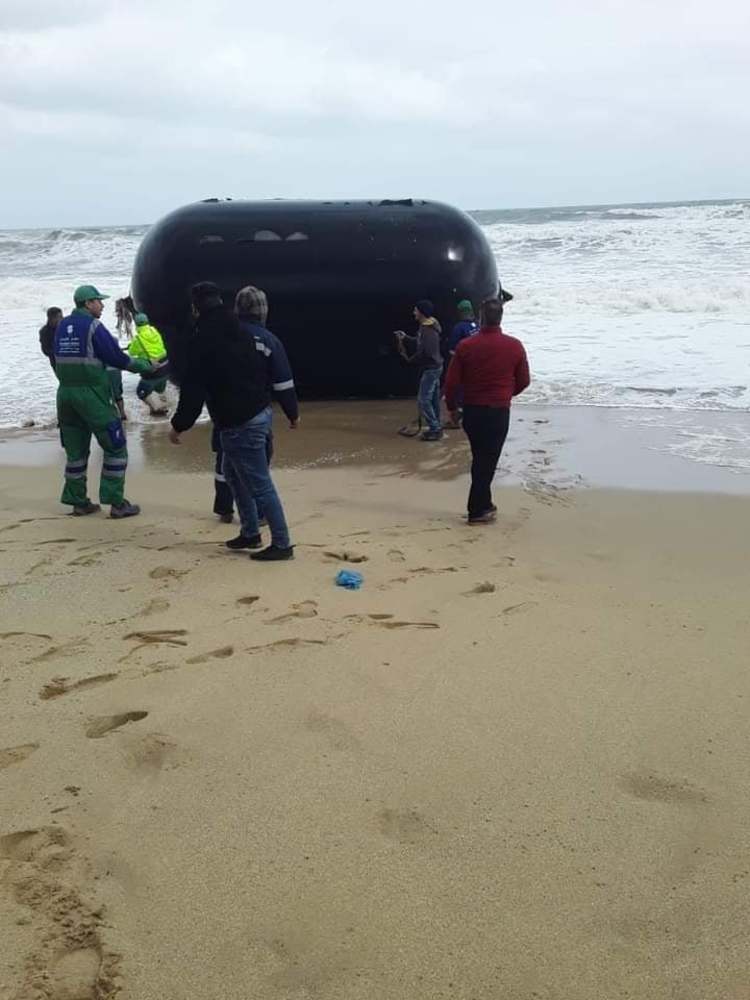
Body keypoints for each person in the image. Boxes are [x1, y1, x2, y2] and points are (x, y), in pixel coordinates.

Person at [169, 282, 294, 561]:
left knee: (259, 483)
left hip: (239, 420)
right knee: (233, 473)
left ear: (195, 307)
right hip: (255, 412)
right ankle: (250, 532)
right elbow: (263, 371)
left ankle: (282, 544)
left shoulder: (202, 338)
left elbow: (193, 388)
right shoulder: (239, 329)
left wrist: (179, 425)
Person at [54, 284, 153, 518]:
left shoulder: (61, 326)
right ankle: (116, 503)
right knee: (115, 446)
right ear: (88, 304)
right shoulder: (93, 327)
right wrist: (144, 366)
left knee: (76, 453)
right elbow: (116, 357)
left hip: (65, 395)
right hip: (92, 396)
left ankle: (78, 501)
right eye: (98, 301)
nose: (102, 305)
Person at [444, 295, 530, 525]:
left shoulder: (466, 346)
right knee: (488, 460)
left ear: (481, 317)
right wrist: (505, 394)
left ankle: (484, 504)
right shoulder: (514, 346)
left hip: (472, 410)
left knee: (481, 458)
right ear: (501, 317)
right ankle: (477, 510)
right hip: (498, 411)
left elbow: (451, 383)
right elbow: (524, 381)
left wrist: (452, 408)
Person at [219, 285, 299, 530]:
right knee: (259, 470)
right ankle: (272, 530)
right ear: (263, 310)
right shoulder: (268, 340)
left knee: (229, 468)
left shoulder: (224, 336)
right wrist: (293, 414)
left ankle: (232, 513)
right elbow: (283, 383)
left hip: (226, 415)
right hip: (256, 413)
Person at [394, 299, 443, 441]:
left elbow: (426, 351)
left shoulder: (428, 330)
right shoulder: (426, 327)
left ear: (421, 312)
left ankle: (435, 428)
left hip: (431, 369)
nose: (413, 312)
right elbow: (420, 341)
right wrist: (406, 338)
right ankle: (436, 425)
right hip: (435, 367)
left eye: (415, 310)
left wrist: (410, 359)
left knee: (423, 400)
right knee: (433, 398)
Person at [128, 313, 169, 415]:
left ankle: (158, 409)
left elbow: (132, 352)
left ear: (136, 324)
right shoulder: (154, 331)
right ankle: (164, 408)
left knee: (141, 391)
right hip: (166, 367)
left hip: (153, 371)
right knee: (159, 391)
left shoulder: (138, 339)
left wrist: (131, 345)